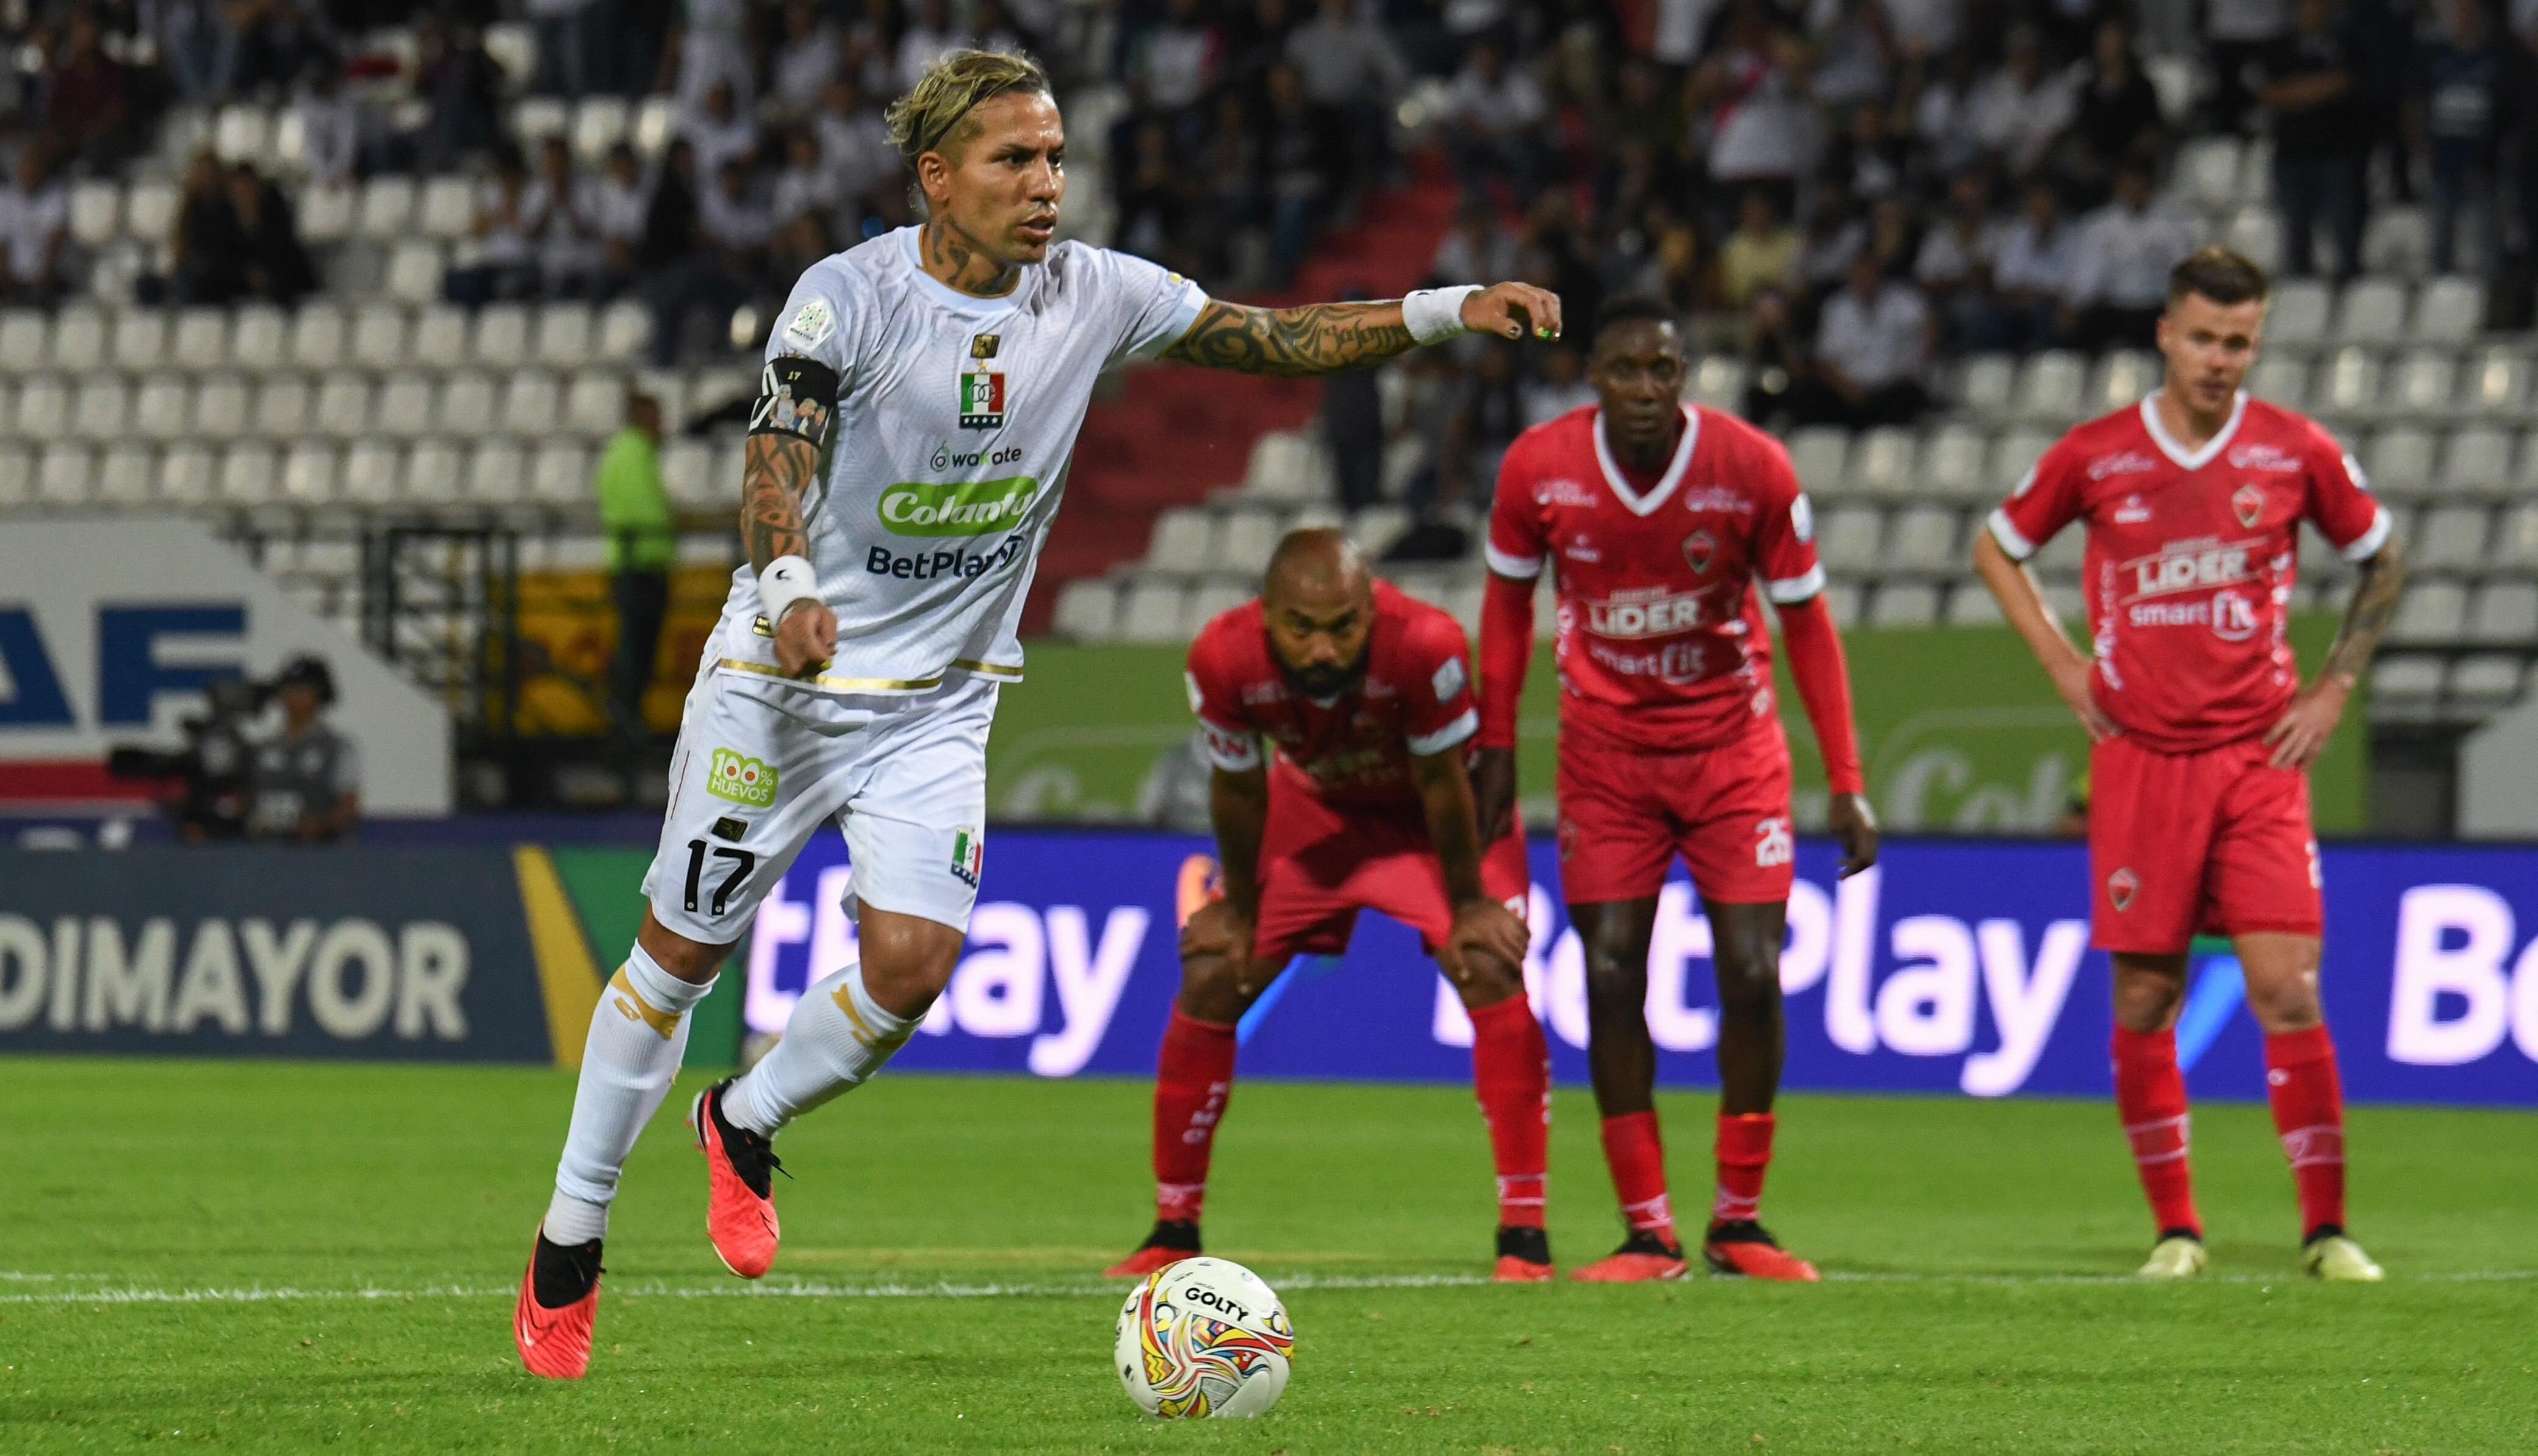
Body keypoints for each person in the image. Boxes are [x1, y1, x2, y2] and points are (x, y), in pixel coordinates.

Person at [513, 47, 1562, 1380]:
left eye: (1058, 158)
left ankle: (745, 1116)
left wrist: (1450, 303)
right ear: (937, 176)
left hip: (942, 700)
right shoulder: (845, 298)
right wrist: (786, 590)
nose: (1047, 185)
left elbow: (1276, 338)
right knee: (676, 955)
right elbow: (779, 455)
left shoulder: (1097, 292)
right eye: (1016, 161)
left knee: (912, 964)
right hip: (780, 684)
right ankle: (571, 1237)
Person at [1970, 247, 2406, 1283]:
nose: (2221, 360)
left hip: (2257, 755)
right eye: (2205, 338)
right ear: (2166, 334)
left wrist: (2335, 685)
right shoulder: (2100, 455)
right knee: (2142, 1001)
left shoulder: (2295, 450)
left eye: (2241, 342)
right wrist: (2063, 665)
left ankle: (2326, 1230)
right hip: (2143, 761)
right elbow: (1997, 543)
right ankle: (2176, 1231)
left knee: (2287, 987)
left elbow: (2383, 555)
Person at [1471, 295, 1879, 1283]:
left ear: (1686, 374)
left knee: (1751, 967)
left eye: (1664, 369)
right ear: (1593, 379)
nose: (1646, 390)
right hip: (1606, 760)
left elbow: (1810, 628)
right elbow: (1506, 608)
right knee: (1610, 970)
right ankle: (1648, 1230)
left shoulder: (1752, 469)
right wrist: (1494, 742)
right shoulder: (1540, 469)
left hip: (1734, 754)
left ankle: (1738, 1220)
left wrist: (1849, 778)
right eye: (1625, 371)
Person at [1102, 531, 1547, 1282]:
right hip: (1315, 815)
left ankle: (1524, 1238)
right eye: (1300, 629)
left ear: (1370, 609)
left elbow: (1445, 784)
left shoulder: (1426, 645)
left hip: (1431, 822)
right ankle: (1173, 1226)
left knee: (1485, 961)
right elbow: (1239, 788)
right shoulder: (1221, 656)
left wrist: (1469, 903)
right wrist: (1238, 906)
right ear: (1265, 614)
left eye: (1343, 626)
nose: (1322, 650)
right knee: (1214, 969)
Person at [2259, 0, 2371, 280]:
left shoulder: (2345, 42)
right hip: (2292, 155)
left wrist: (2297, 92)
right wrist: (2322, 87)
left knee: (2344, 231)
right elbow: (2273, 95)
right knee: (2297, 232)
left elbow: (2348, 82)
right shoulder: (2280, 45)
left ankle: (2348, 289)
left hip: (2337, 152)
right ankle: (2301, 291)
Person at [597, 393, 676, 737]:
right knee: (637, 648)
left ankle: (625, 716)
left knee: (635, 646)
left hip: (635, 564)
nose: (663, 426)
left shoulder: (624, 453)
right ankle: (625, 721)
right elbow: (645, 512)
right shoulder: (633, 453)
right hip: (641, 565)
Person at [245, 657, 361, 843]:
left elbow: (348, 806)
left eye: (302, 689)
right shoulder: (262, 749)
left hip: (318, 854)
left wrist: (322, 825)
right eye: (288, 688)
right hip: (265, 853)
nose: (292, 696)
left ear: (319, 694)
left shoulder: (338, 748)